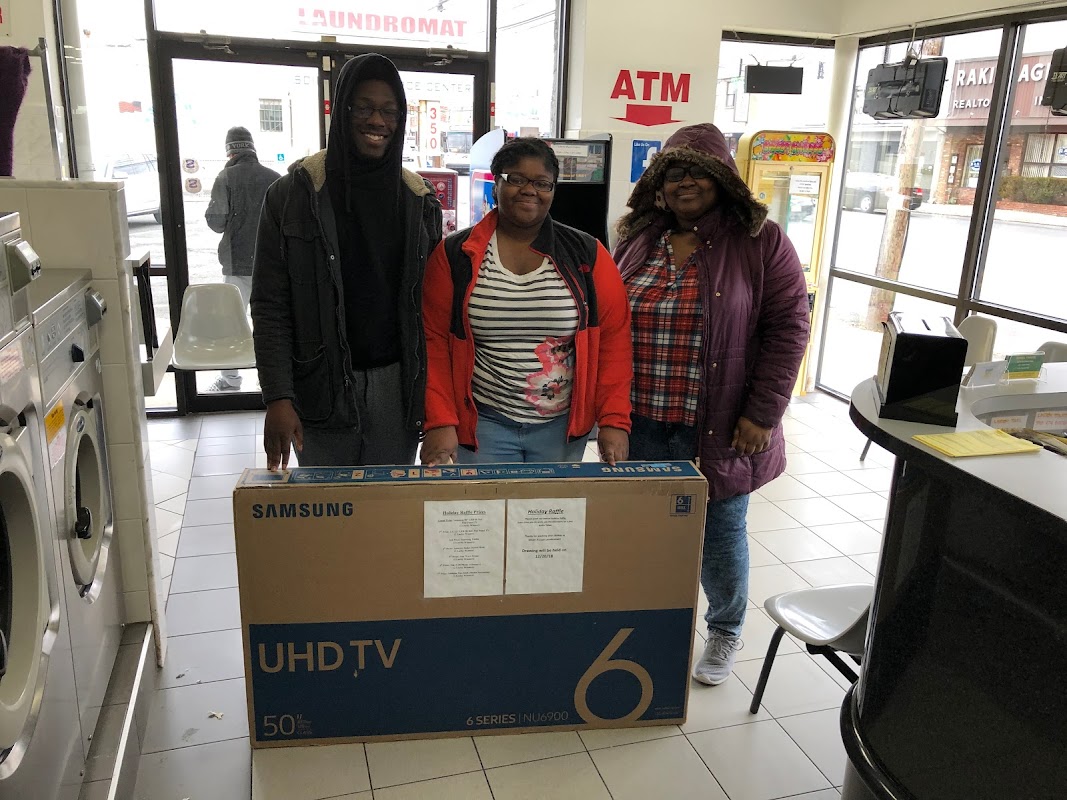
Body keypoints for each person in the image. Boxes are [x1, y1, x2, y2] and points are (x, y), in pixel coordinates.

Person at [613, 123, 810, 685]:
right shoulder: (637, 238)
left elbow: (789, 329)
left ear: (725, 179)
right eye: (673, 172)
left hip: (721, 424)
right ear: (658, 183)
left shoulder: (760, 240)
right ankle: (651, 624)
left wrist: (762, 414)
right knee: (646, 531)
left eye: (699, 171)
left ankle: (724, 631)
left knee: (720, 537)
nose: (685, 182)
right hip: (642, 419)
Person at [251, 54, 442, 468]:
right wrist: (278, 397)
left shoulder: (418, 201)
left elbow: (434, 311)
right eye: (365, 107)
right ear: (342, 111)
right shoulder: (293, 195)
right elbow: (270, 305)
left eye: (389, 111)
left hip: (398, 388)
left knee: (389, 514)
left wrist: (439, 404)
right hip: (321, 383)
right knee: (331, 516)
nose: (378, 121)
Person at [421, 137, 632, 466]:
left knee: (549, 516)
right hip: (483, 423)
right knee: (483, 516)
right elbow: (433, 341)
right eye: (516, 179)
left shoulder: (587, 254)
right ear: (496, 184)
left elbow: (614, 340)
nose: (529, 190)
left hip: (560, 428)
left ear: (553, 190)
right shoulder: (455, 255)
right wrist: (441, 419)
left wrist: (614, 420)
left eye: (541, 182)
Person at [204, 126, 279, 392]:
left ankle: (230, 380)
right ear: (252, 148)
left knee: (233, 321)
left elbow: (216, 222)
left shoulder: (225, 177)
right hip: (271, 264)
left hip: (237, 263)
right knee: (270, 322)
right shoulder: (274, 178)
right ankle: (271, 382)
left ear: (229, 152)